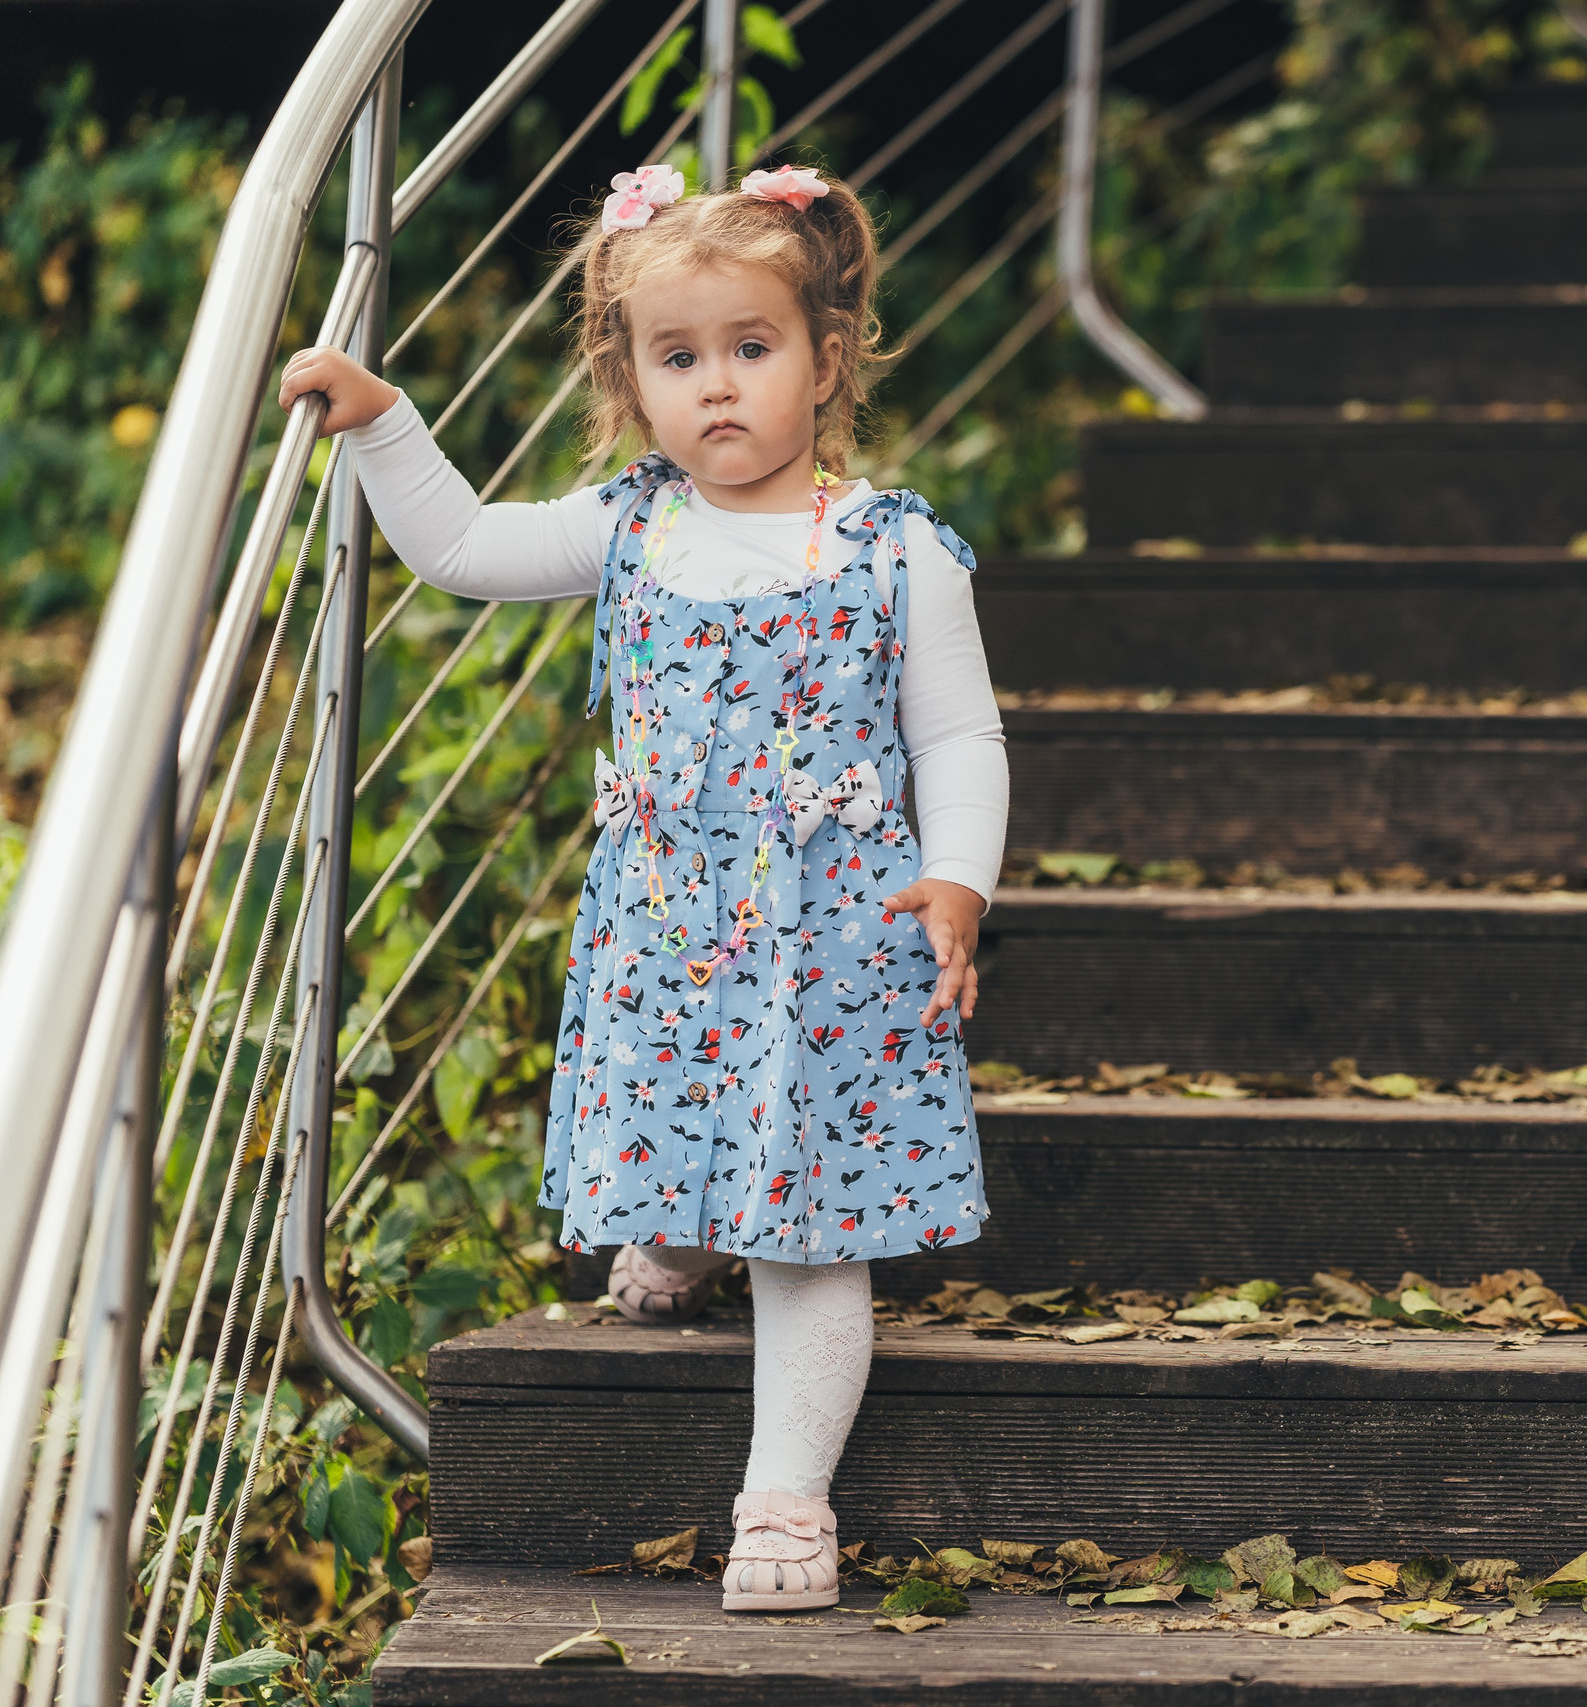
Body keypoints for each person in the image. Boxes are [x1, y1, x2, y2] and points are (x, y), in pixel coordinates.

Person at [279, 161, 1005, 1614]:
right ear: (630, 376)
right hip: (670, 935)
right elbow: (467, 548)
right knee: (677, 1116)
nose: (719, 387)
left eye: (753, 348)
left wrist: (956, 880)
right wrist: (386, 424)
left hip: (832, 945)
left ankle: (787, 1500)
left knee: (807, 1224)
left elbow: (956, 731)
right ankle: (670, 1235)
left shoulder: (896, 550)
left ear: (827, 357)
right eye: (681, 359)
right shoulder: (633, 526)